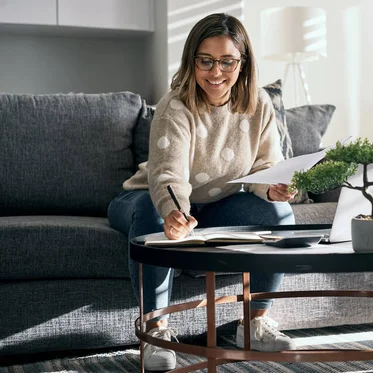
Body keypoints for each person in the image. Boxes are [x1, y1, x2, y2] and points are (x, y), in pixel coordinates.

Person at [107, 13, 297, 371]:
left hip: (214, 203)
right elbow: (167, 175)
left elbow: (263, 168)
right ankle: (156, 331)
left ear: (243, 63)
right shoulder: (175, 105)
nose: (216, 72)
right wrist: (173, 213)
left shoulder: (259, 105)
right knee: (151, 210)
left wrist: (272, 190)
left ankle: (253, 322)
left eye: (227, 61)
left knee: (279, 216)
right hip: (144, 198)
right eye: (205, 60)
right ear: (192, 60)